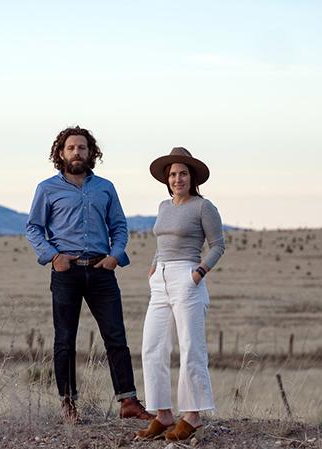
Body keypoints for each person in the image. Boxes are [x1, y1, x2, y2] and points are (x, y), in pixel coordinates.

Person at [26, 126, 154, 424]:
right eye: (71, 148)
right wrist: (54, 257)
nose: (77, 152)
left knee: (116, 337)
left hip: (100, 271)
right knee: (65, 340)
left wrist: (115, 256)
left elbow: (119, 226)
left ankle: (128, 401)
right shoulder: (47, 189)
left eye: (82, 147)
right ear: (61, 153)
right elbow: (34, 227)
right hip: (66, 272)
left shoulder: (105, 188)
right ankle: (68, 403)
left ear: (91, 152)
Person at [135, 147, 225, 441]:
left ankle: (192, 416)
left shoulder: (203, 207)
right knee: (152, 346)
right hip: (160, 279)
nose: (177, 179)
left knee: (190, 346)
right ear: (167, 179)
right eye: (173, 174)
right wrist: (153, 269)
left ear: (192, 177)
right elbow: (161, 243)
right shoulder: (164, 206)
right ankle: (163, 414)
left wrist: (199, 272)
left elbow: (218, 245)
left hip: (187, 277)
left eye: (183, 174)